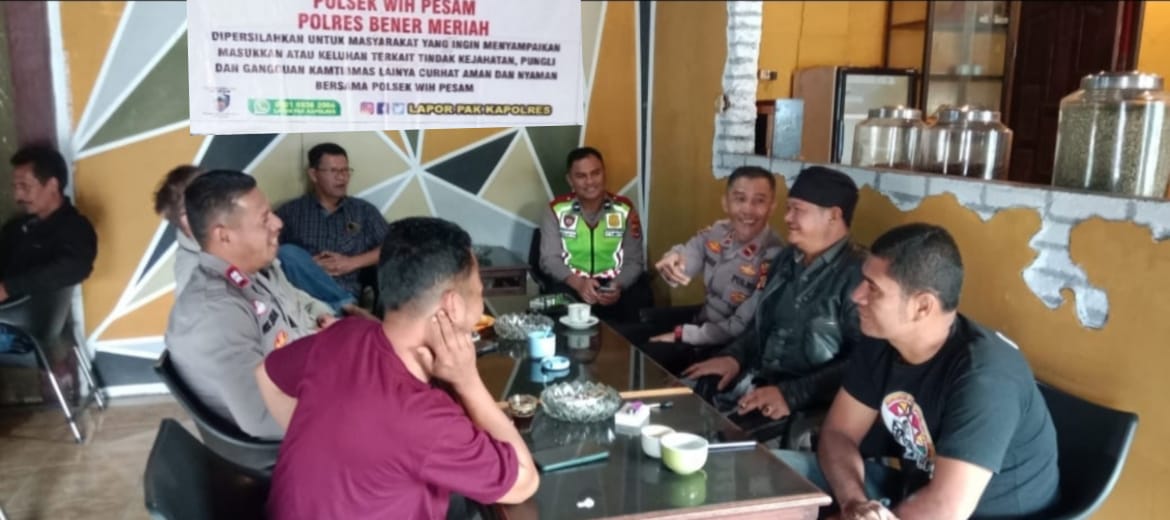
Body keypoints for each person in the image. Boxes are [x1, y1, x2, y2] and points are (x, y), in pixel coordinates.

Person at [256, 217, 539, 519]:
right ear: (452, 306)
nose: (480, 303)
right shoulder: (425, 418)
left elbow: (265, 375)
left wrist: (336, 445)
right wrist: (468, 381)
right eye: (480, 293)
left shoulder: (345, 333)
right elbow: (524, 481)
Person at [780, 223, 1060, 519]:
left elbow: (945, 508)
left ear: (922, 307)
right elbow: (839, 433)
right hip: (913, 491)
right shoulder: (882, 338)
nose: (857, 295)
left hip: (983, 514)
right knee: (772, 478)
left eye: (873, 288)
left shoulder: (985, 377)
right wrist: (854, 503)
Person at [681, 166, 864, 441]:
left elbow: (864, 361)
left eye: (797, 210)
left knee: (706, 445)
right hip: (754, 382)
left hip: (802, 408)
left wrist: (791, 395)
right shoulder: (787, 260)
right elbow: (760, 327)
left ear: (833, 215)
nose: (787, 218)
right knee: (674, 407)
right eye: (788, 208)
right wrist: (733, 357)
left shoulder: (859, 276)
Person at [164, 170, 338, 440]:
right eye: (264, 219)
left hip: (306, 380)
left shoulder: (246, 273)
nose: (278, 223)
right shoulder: (216, 313)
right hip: (292, 439)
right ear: (224, 236)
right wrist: (346, 409)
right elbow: (263, 419)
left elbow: (287, 330)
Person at [152, 164, 370, 319]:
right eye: (264, 218)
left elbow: (289, 296)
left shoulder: (248, 251)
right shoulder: (203, 290)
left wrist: (324, 316)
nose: (277, 224)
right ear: (188, 219)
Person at [636, 166, 784, 374]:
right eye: (740, 199)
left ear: (772, 206)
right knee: (626, 335)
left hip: (728, 346)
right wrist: (674, 260)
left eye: (759, 201)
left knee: (644, 358)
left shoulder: (774, 256)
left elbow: (739, 327)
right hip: (701, 321)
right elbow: (687, 257)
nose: (748, 210)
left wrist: (682, 335)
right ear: (725, 202)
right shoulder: (718, 231)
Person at [0, 145, 97, 356]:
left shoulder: (75, 228)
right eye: (15, 187)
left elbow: (76, 267)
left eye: (25, 186)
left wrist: (9, 288)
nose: (17, 196)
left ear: (52, 185)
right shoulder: (19, 227)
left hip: (21, 330)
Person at [538, 146, 651, 322]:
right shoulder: (556, 209)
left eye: (595, 173)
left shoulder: (624, 209)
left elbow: (634, 261)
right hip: (571, 284)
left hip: (614, 284)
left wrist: (617, 285)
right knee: (555, 303)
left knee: (642, 299)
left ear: (604, 173)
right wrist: (579, 283)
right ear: (570, 180)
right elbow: (549, 259)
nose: (590, 182)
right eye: (581, 176)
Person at [276, 143, 389, 300]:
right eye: (334, 171)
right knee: (287, 252)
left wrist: (352, 262)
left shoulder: (364, 211)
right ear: (313, 175)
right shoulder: (290, 212)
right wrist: (305, 265)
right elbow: (268, 254)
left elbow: (394, 247)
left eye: (345, 170)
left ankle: (343, 304)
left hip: (345, 291)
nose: (342, 177)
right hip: (301, 297)